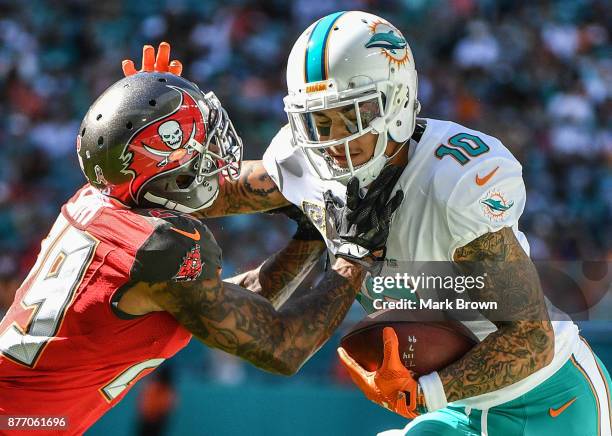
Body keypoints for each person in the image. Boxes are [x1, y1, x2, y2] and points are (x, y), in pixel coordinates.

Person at [132, 9, 612, 435]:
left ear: (397, 101)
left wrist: (425, 392)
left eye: (352, 115)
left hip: (548, 398)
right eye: (320, 122)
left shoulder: (452, 184)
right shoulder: (306, 164)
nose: (335, 140)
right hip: (459, 412)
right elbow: (209, 192)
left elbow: (530, 339)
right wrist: (149, 132)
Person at [0, 62, 403, 434]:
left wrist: (313, 227)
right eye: (202, 142)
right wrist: (355, 253)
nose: (215, 153)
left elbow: (223, 304)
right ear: (166, 166)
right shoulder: (160, 248)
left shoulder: (100, 197)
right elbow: (283, 346)